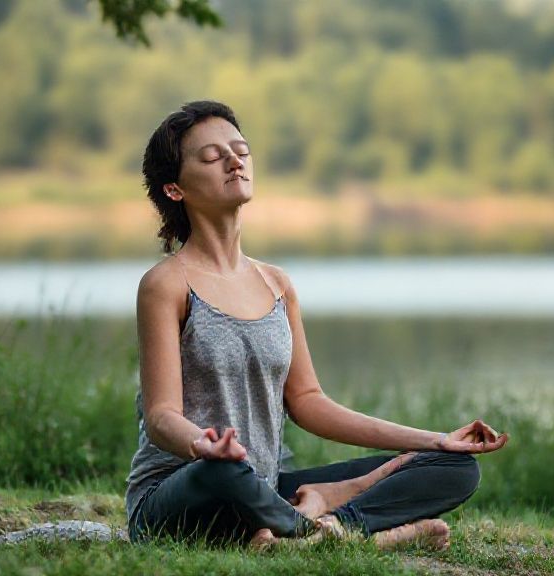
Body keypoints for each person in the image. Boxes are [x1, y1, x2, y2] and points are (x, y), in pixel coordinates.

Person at [125, 100, 509, 551]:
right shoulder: (166, 285)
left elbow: (308, 402)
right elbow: (161, 417)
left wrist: (437, 440)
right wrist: (203, 446)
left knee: (453, 468)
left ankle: (320, 528)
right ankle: (335, 524)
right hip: (185, 494)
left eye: (241, 150)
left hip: (262, 491)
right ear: (174, 189)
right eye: (212, 157)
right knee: (226, 472)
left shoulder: (276, 284)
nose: (234, 160)